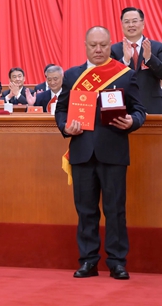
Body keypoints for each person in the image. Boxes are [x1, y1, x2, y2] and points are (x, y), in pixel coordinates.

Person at [55, 26, 146, 280]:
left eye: (103, 45)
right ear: (85, 45)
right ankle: (88, 261)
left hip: (114, 152)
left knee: (115, 210)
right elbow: (61, 110)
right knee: (86, 210)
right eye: (93, 45)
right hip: (82, 153)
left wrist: (132, 121)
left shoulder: (125, 75)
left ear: (110, 45)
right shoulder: (72, 76)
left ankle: (117, 262)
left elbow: (139, 110)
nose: (98, 50)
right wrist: (65, 127)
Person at [110, 7, 162, 114]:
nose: (131, 25)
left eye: (134, 21)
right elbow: (110, 79)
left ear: (143, 24)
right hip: (126, 108)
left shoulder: (157, 47)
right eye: (126, 22)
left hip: (152, 106)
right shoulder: (113, 50)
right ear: (122, 25)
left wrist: (149, 58)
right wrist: (125, 60)